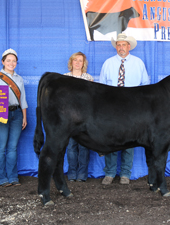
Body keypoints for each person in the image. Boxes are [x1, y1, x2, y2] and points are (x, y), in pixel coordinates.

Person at [99, 33, 150, 185]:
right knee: (111, 140)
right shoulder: (108, 63)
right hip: (111, 108)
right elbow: (101, 88)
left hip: (132, 108)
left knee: (130, 141)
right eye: (119, 45)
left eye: (124, 45)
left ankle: (125, 174)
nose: (121, 47)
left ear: (129, 47)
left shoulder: (138, 63)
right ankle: (110, 172)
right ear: (116, 47)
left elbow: (146, 86)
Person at [0, 48, 28, 187]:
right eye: (8, 60)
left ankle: (13, 177)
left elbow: (22, 99)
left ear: (16, 63)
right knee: (1, 147)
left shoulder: (19, 79)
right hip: (1, 113)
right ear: (3, 62)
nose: (11, 63)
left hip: (17, 113)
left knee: (12, 147)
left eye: (14, 61)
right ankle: (1, 178)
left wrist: (24, 117)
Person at [64, 52, 94, 182]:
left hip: (84, 118)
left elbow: (92, 100)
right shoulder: (64, 78)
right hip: (69, 118)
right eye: (75, 60)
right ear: (71, 62)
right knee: (71, 147)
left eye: (80, 60)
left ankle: (82, 174)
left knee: (84, 146)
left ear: (84, 63)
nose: (77, 63)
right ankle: (71, 173)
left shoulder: (89, 79)